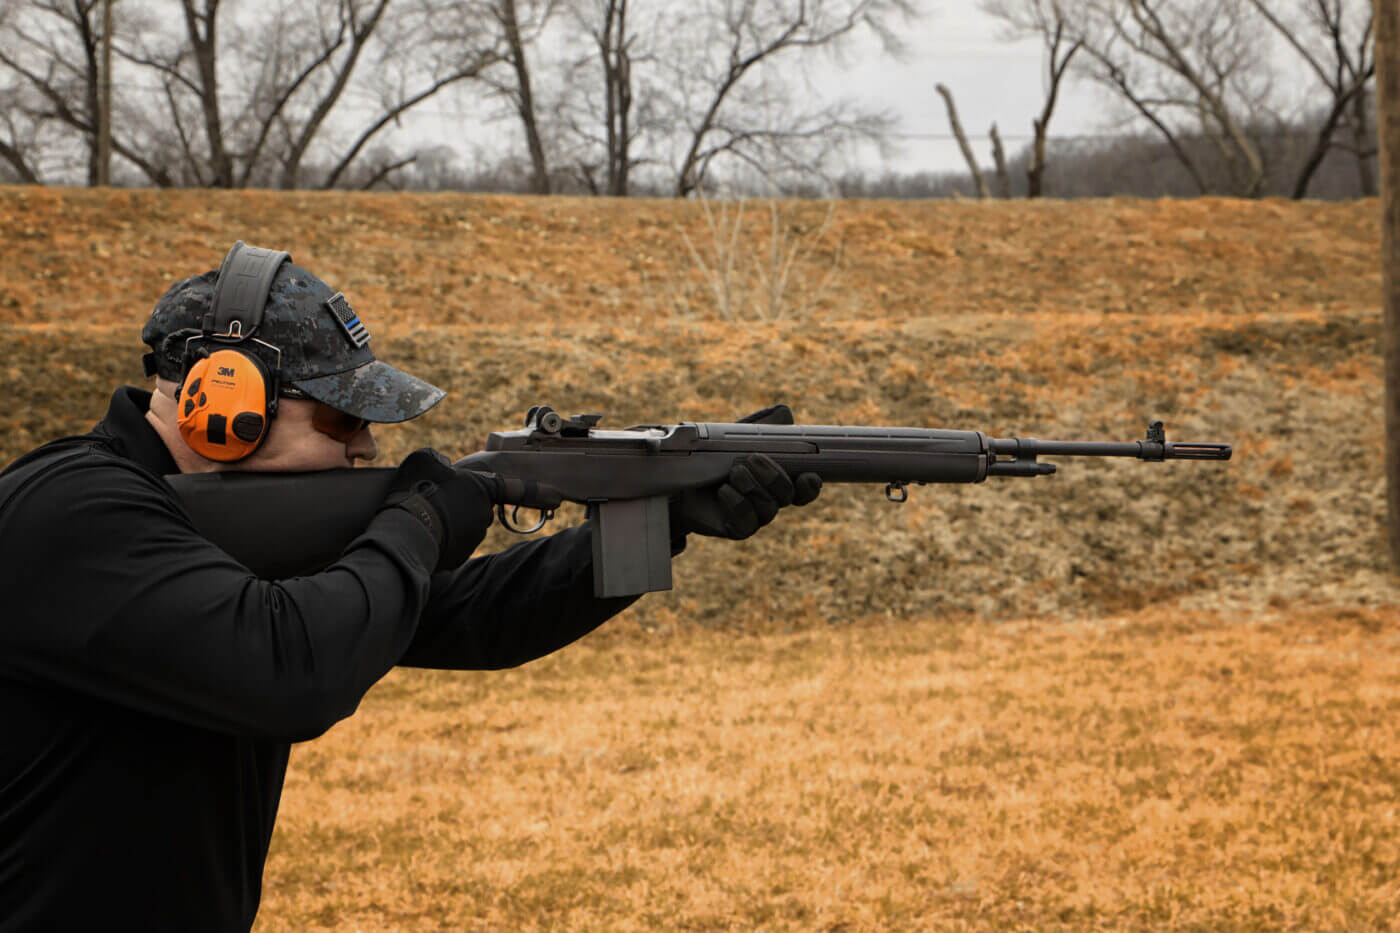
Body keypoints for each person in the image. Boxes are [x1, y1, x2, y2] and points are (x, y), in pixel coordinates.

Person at [0, 243, 820, 930]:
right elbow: (287, 669)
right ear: (223, 397)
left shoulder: (201, 534)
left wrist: (665, 523)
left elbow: (475, 617)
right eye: (342, 419)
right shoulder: (69, 512)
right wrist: (418, 522)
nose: (363, 448)